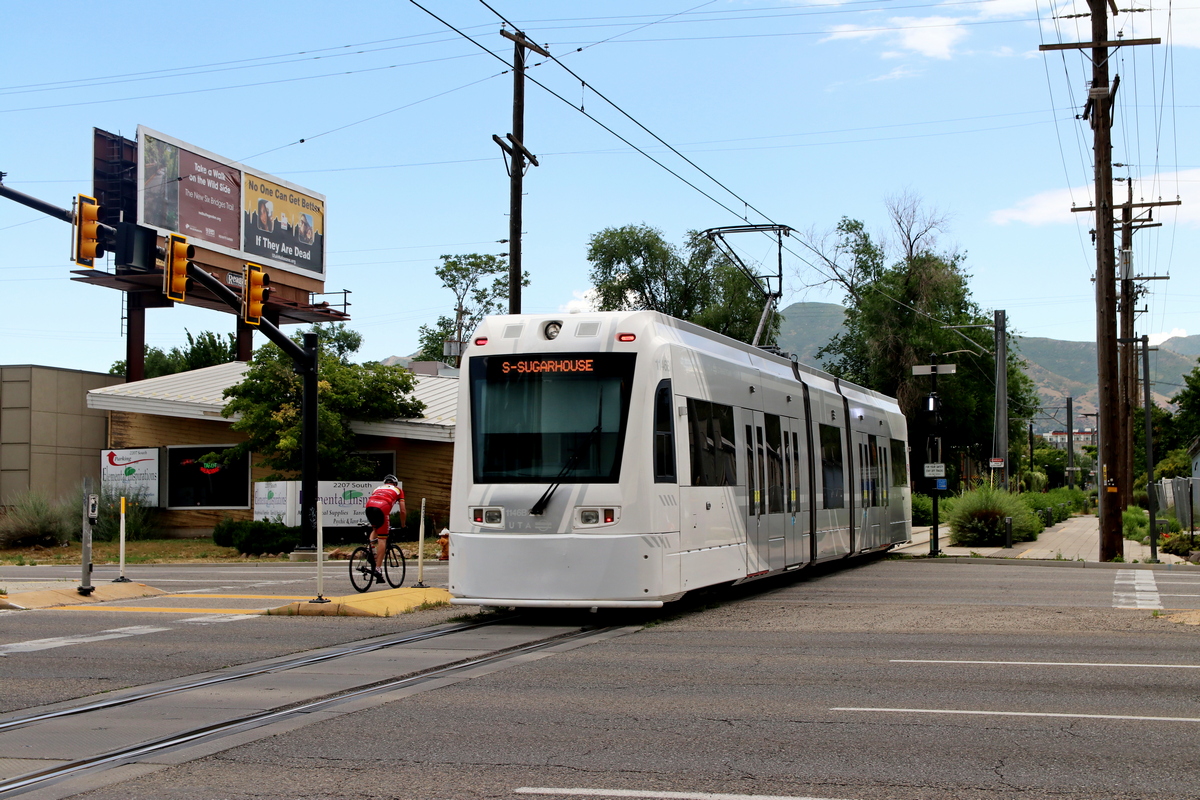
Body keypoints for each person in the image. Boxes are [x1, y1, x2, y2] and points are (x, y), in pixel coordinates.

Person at [364, 475, 406, 580]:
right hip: (382, 508)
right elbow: (402, 511)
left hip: (369, 507)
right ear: (395, 483)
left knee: (375, 529)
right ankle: (378, 569)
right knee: (382, 539)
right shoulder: (398, 490)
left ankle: (370, 549)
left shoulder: (378, 488)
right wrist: (403, 524)